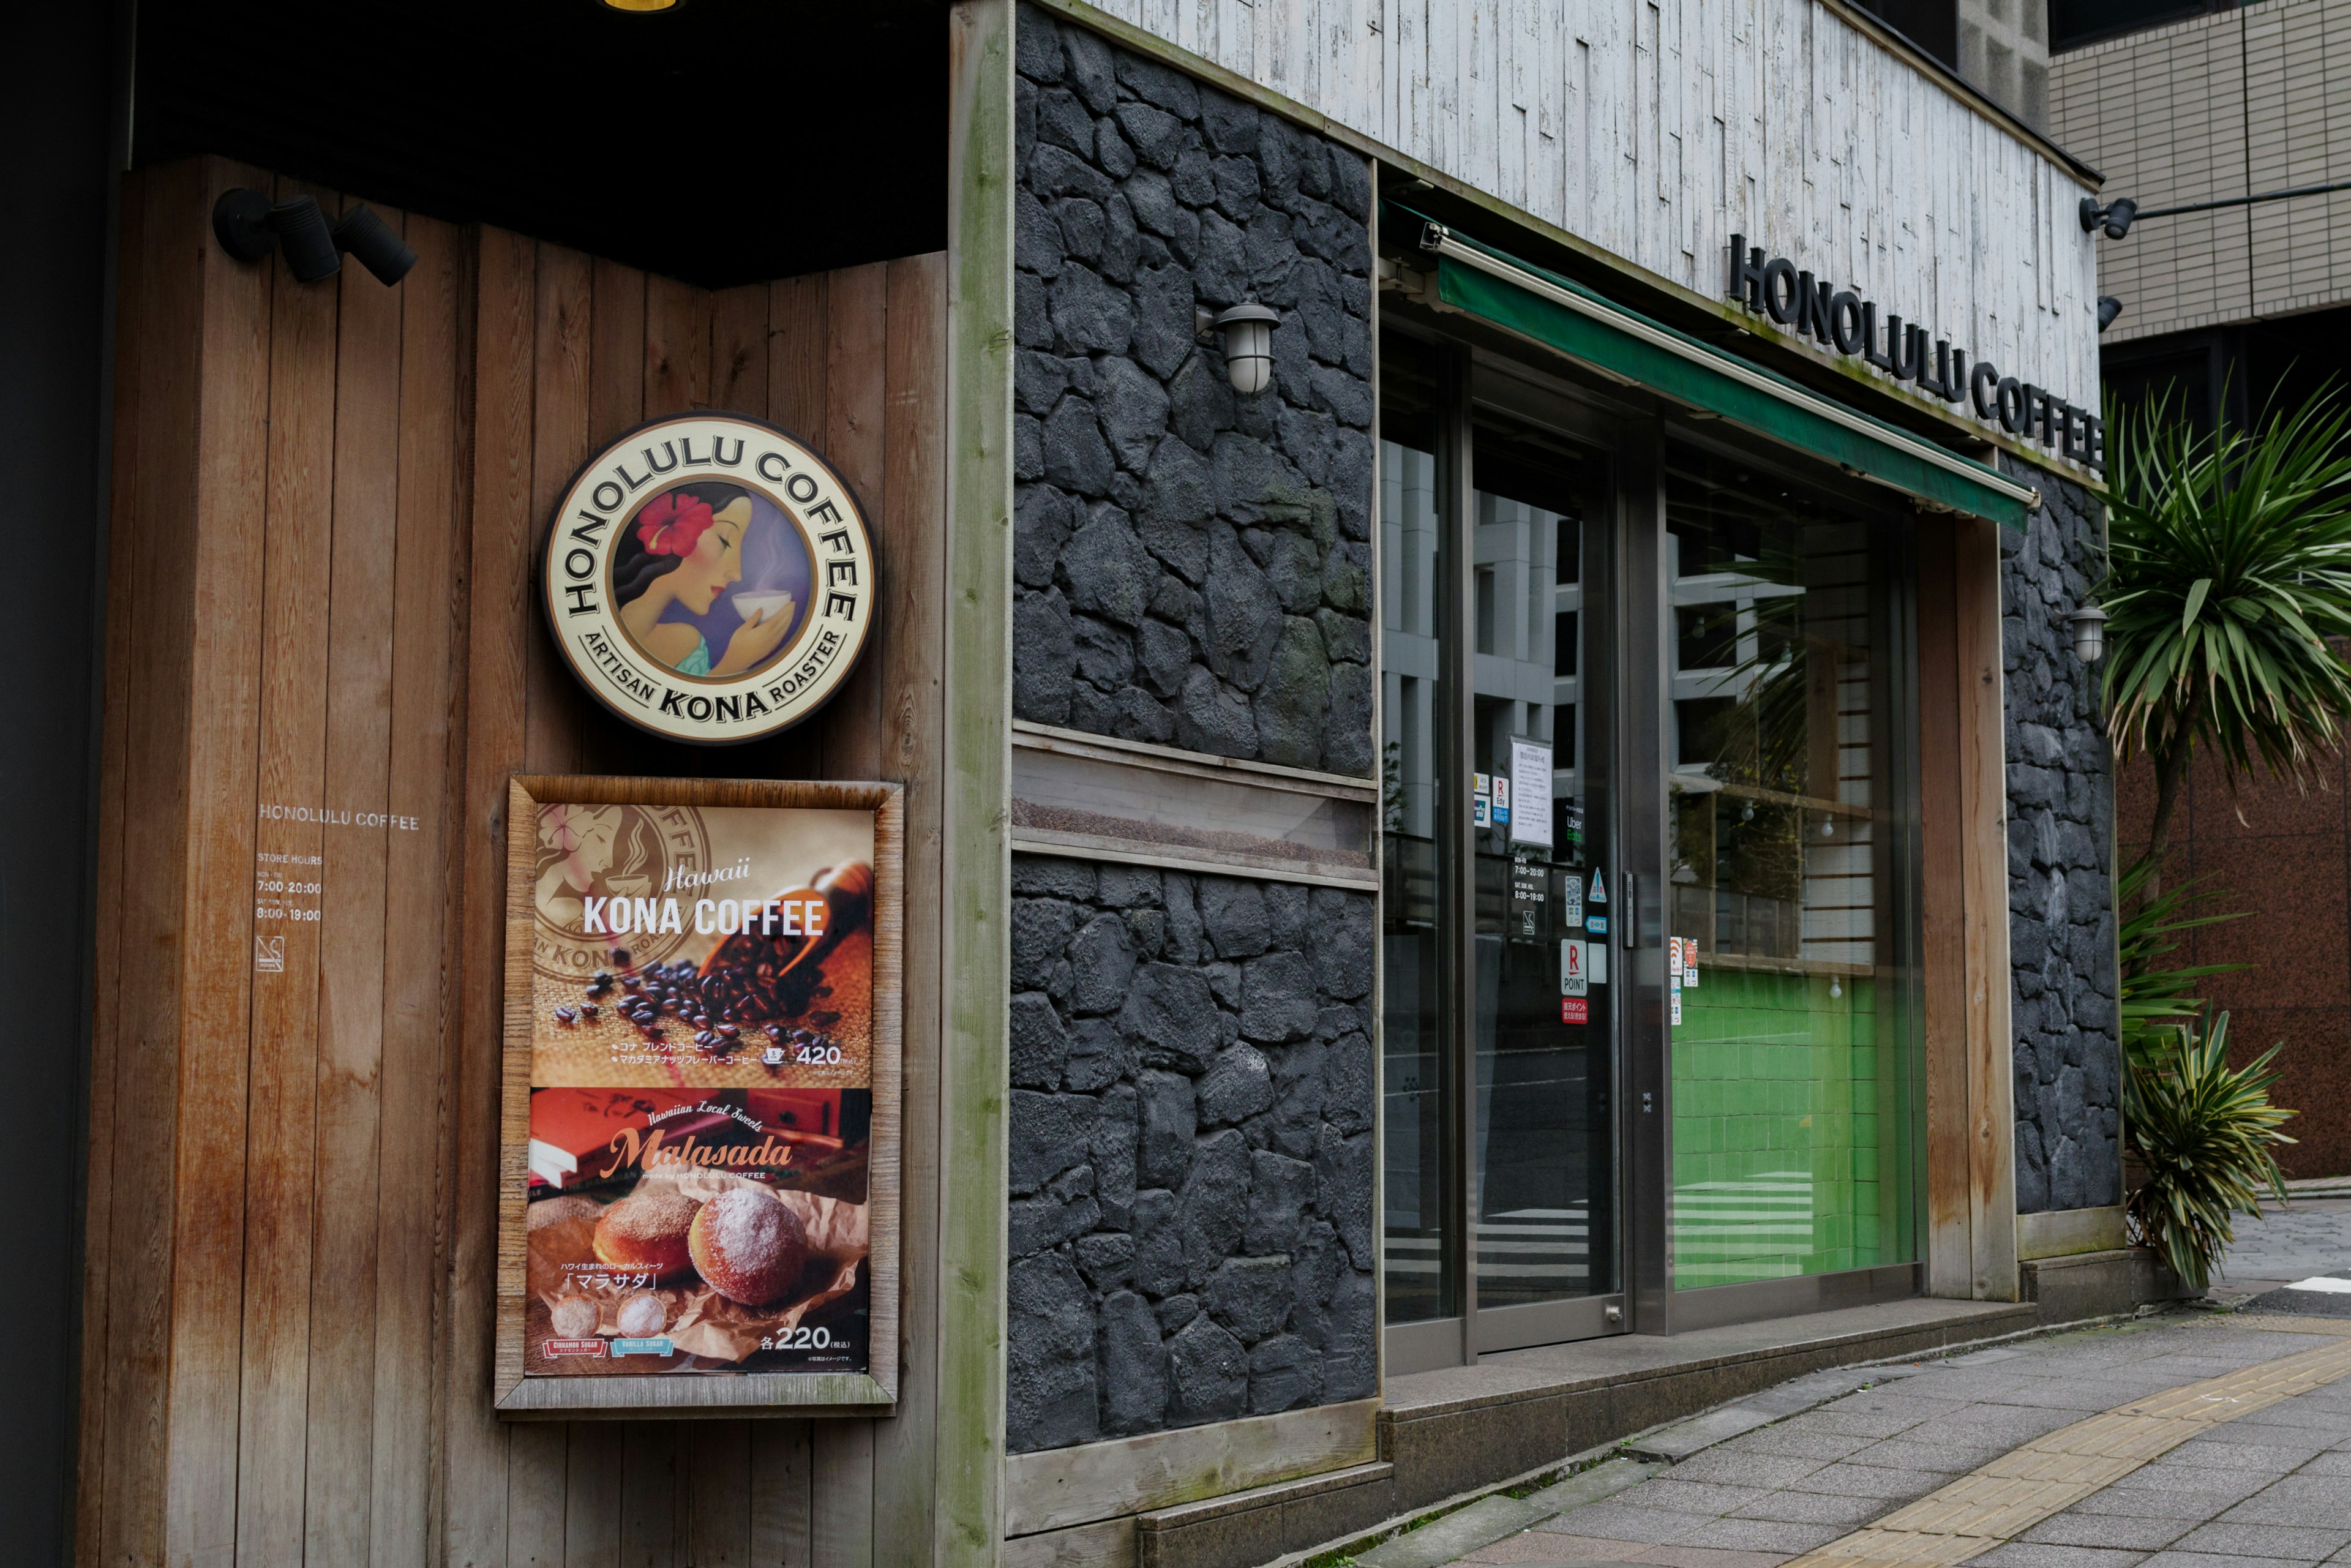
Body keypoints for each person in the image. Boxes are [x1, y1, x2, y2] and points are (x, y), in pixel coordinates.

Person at [612, 483, 796, 677]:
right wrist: (734, 664)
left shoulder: (688, 645)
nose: (737, 574)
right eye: (724, 541)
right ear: (666, 529)